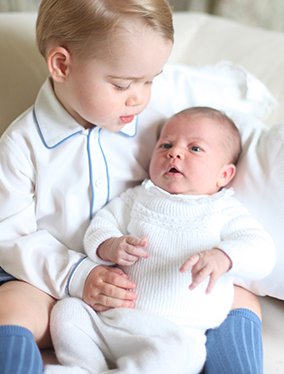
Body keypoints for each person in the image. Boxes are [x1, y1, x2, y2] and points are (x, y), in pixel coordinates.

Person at [0, 0, 266, 374]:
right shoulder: (24, 144)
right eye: (122, 84)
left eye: (149, 81)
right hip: (48, 281)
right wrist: (77, 275)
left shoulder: (158, 119)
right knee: (3, 307)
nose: (139, 99)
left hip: (145, 284)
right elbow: (6, 234)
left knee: (240, 299)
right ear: (62, 65)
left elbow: (220, 107)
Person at [45, 107, 275, 374]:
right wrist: (109, 246)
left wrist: (224, 256)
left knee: (173, 352)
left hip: (177, 334)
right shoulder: (138, 197)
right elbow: (100, 226)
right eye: (165, 144)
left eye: (195, 149)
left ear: (223, 175)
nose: (174, 152)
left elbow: (262, 250)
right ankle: (83, 366)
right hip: (113, 321)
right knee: (68, 311)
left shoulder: (223, 210)